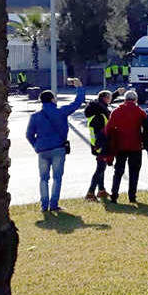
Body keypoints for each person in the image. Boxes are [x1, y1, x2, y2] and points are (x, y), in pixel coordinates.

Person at [25, 78, 85, 212]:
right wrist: (79, 87)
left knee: (43, 178)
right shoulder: (61, 112)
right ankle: (54, 205)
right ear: (52, 99)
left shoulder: (35, 116)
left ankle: (44, 205)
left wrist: (36, 146)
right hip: (58, 148)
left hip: (42, 150)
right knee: (57, 178)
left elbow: (29, 135)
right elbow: (77, 103)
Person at [106, 90, 147, 203]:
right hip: (136, 145)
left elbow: (108, 129)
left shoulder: (116, 112)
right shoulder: (140, 112)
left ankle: (114, 194)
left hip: (120, 146)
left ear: (124, 99)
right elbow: (146, 128)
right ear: (136, 100)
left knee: (118, 171)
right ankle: (132, 196)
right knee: (134, 172)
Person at [84, 87, 124, 201]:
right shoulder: (100, 116)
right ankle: (90, 192)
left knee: (101, 167)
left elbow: (107, 101)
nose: (111, 100)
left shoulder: (96, 109)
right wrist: (102, 147)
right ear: (105, 99)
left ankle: (101, 190)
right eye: (110, 98)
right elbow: (101, 134)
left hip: (96, 145)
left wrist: (116, 93)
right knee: (100, 169)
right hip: (101, 146)